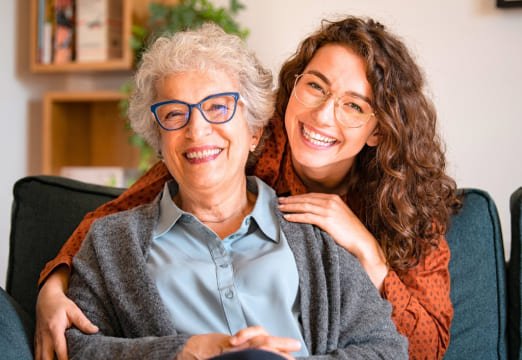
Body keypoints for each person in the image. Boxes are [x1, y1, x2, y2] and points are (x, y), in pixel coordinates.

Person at [36, 16, 459, 360]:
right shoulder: (241, 144)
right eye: (315, 86)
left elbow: (409, 349)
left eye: (354, 105)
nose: (323, 117)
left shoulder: (386, 218)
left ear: (378, 130)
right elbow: (111, 220)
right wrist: (53, 286)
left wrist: (367, 251)